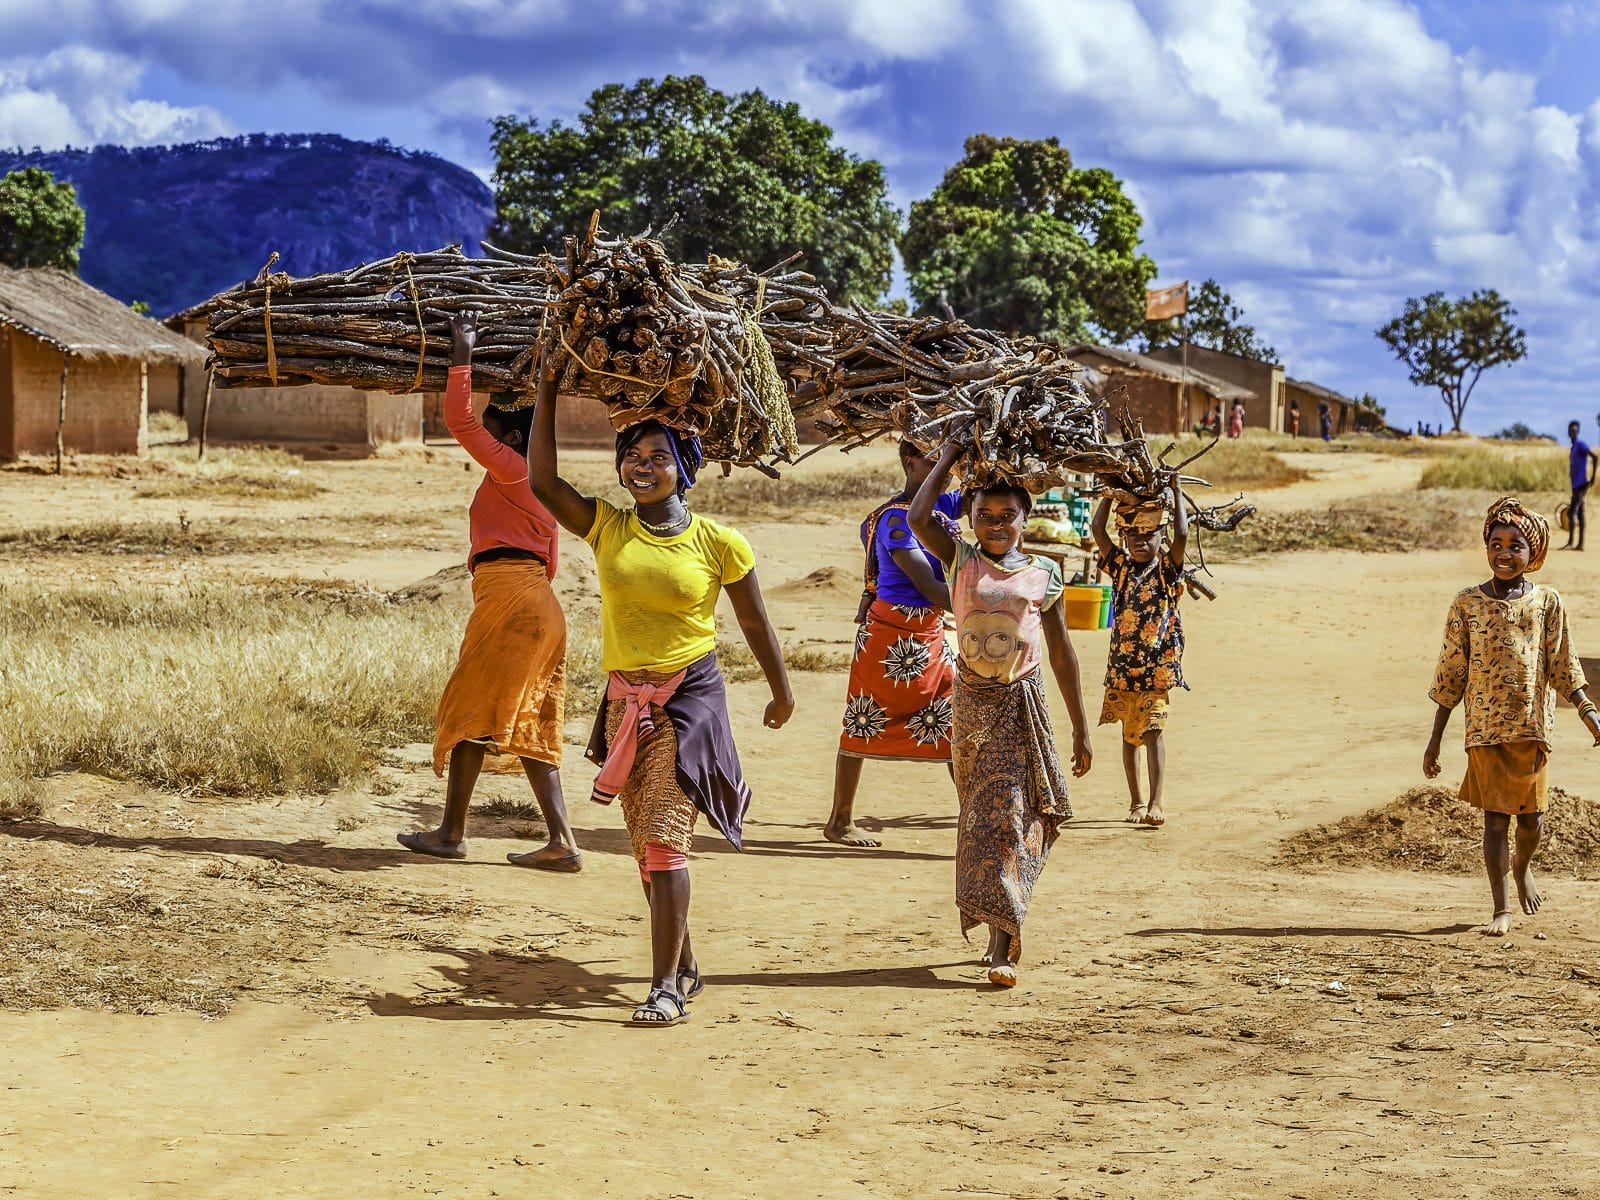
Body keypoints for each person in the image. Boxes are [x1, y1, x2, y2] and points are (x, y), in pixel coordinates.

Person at [526, 347, 794, 1027]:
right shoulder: (607, 526)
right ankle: (685, 962)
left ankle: (664, 988)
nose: (642, 466)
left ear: (685, 469)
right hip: (624, 706)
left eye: (658, 455)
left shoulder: (719, 542)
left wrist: (780, 690)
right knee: (646, 849)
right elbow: (541, 480)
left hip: (689, 702)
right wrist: (549, 390)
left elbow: (755, 622)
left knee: (667, 841)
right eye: (632, 455)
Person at [397, 312, 581, 870]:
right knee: (518, 719)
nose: (489, 438)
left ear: (513, 436)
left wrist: (462, 352)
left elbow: (459, 420)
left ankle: (457, 834)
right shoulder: (542, 485)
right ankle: (553, 842)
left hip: (512, 601)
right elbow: (550, 559)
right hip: (536, 603)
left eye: (496, 431)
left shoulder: (514, 468)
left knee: (478, 708)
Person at [909, 441, 1092, 989]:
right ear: (969, 519)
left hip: (1020, 706)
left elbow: (1062, 652)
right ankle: (996, 921)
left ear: (1024, 519)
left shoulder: (1046, 573)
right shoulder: (960, 560)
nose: (995, 525)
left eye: (1006, 516)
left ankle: (1002, 940)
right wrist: (948, 457)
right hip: (970, 709)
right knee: (977, 819)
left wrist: (1081, 724)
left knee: (1008, 819)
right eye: (984, 516)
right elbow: (919, 515)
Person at [1424, 498, 1600, 937]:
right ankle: (1501, 907)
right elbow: (1451, 674)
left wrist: (1589, 713)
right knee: (1495, 820)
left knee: (1532, 821)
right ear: (1486, 546)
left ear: (1532, 553)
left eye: (1515, 545)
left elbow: (1563, 664)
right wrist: (1434, 741)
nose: (1504, 553)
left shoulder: (1547, 603)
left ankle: (1522, 867)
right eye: (1496, 543)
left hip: (1532, 729)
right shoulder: (1466, 604)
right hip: (1483, 730)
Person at [826, 442, 961, 848]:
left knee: (956, 717)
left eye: (948, 462)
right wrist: (995, 603)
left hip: (931, 634)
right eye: (933, 460)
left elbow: (983, 495)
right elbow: (931, 588)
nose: (946, 469)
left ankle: (975, 817)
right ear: (909, 462)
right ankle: (839, 821)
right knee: (863, 720)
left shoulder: (939, 508)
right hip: (892, 636)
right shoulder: (896, 523)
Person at [1089, 479, 1188, 827]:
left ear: (1160, 538)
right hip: (1123, 669)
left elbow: (1183, 537)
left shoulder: (1166, 570)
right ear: (1125, 539)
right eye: (1134, 537)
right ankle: (1136, 802)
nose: (1142, 542)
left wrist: (1175, 494)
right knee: (1130, 736)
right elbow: (1097, 530)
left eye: (1149, 536)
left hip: (1157, 669)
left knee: (1153, 731)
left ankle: (1156, 803)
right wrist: (1107, 496)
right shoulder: (1120, 568)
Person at [1561, 420, 1596, 551]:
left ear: (1578, 431)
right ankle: (1580, 544)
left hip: (1582, 484)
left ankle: (1571, 542)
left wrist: (1592, 478)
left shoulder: (1581, 445)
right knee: (1580, 513)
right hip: (1575, 484)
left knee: (1572, 512)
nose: (1572, 432)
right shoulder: (1574, 447)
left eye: (1574, 430)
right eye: (1571, 430)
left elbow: (1595, 457)